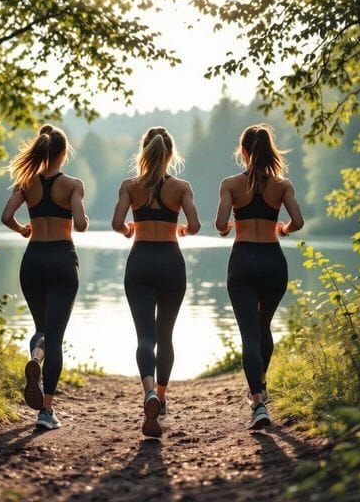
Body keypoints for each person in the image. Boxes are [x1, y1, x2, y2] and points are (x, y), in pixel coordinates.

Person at [111, 126, 199, 437]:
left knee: (144, 336)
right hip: (171, 263)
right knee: (167, 334)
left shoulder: (130, 186)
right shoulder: (181, 187)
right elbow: (196, 224)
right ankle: (160, 398)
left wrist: (128, 231)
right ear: (170, 154)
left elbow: (117, 223)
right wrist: (183, 231)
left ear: (144, 152)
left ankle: (147, 391)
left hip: (140, 262)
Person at [0, 124, 88, 431]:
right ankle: (46, 411)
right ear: (63, 153)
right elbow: (79, 224)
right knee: (56, 337)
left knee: (41, 328)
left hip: (33, 260)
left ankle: (36, 360)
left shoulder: (26, 183)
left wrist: (24, 229)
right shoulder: (73, 185)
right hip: (63, 259)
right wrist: (82, 215)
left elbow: (6, 216)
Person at [216, 124, 303, 429]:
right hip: (272, 261)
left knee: (249, 335)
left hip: (242, 262)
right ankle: (262, 385)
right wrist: (283, 229)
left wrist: (227, 227)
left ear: (243, 151)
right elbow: (298, 221)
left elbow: (220, 224)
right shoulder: (282, 186)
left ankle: (257, 404)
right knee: (263, 326)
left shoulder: (230, 184)